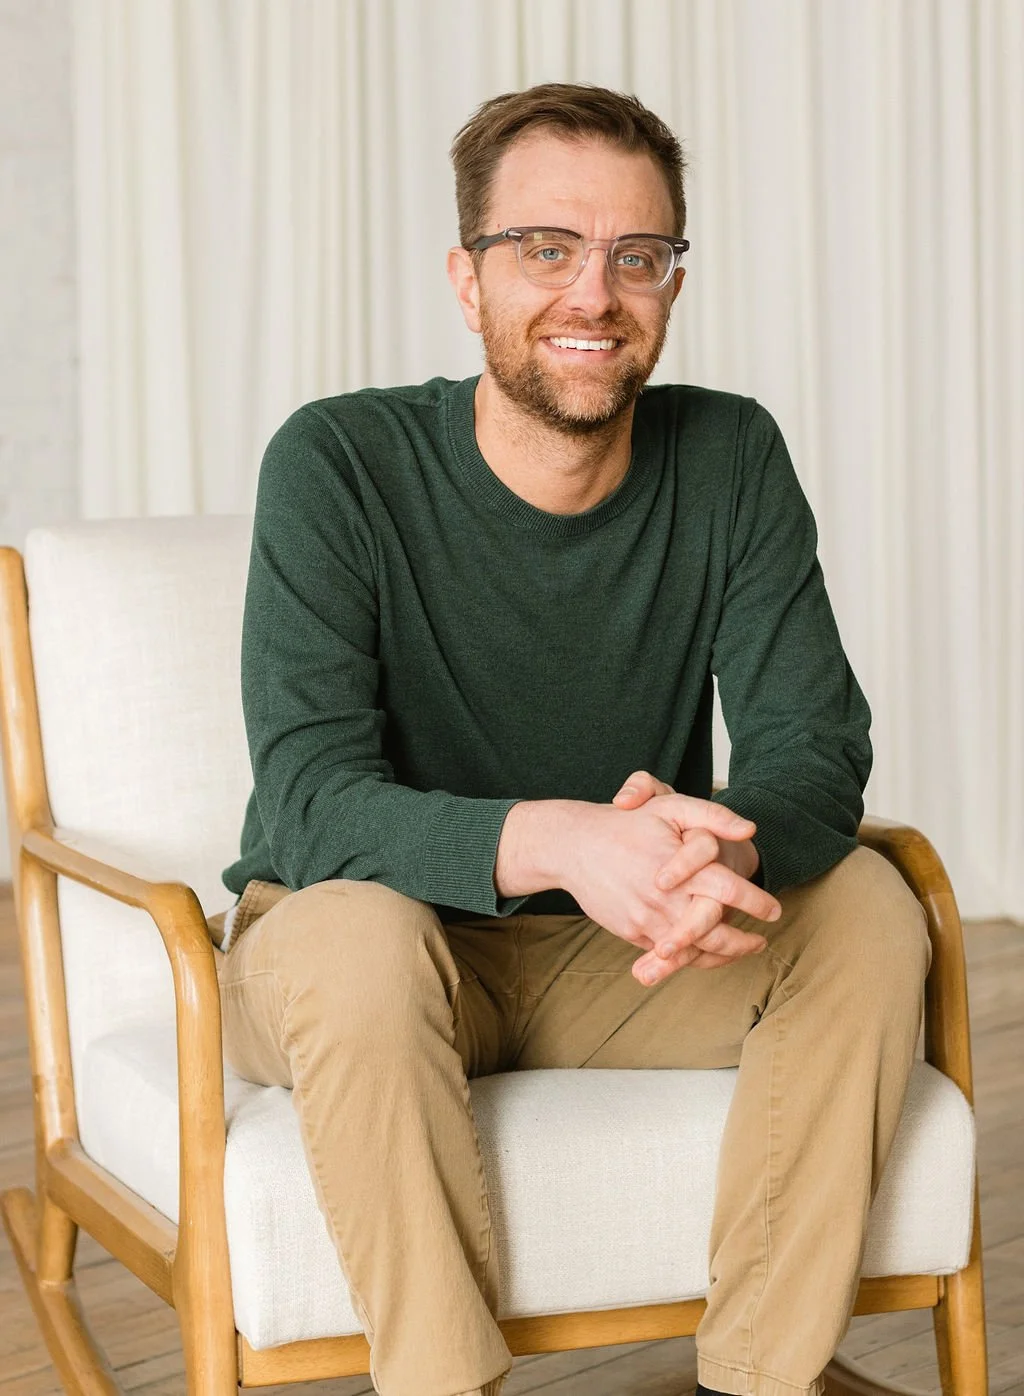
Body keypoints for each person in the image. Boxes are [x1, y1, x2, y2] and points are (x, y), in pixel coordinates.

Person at [215, 82, 929, 1396]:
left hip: (625, 962)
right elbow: (312, 800)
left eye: (636, 256)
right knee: (357, 936)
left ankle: (763, 1377)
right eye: (546, 248)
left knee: (872, 909)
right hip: (370, 950)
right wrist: (564, 838)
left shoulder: (730, 454)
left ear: (669, 281)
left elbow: (815, 745)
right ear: (466, 278)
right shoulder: (339, 462)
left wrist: (701, 851)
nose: (593, 294)